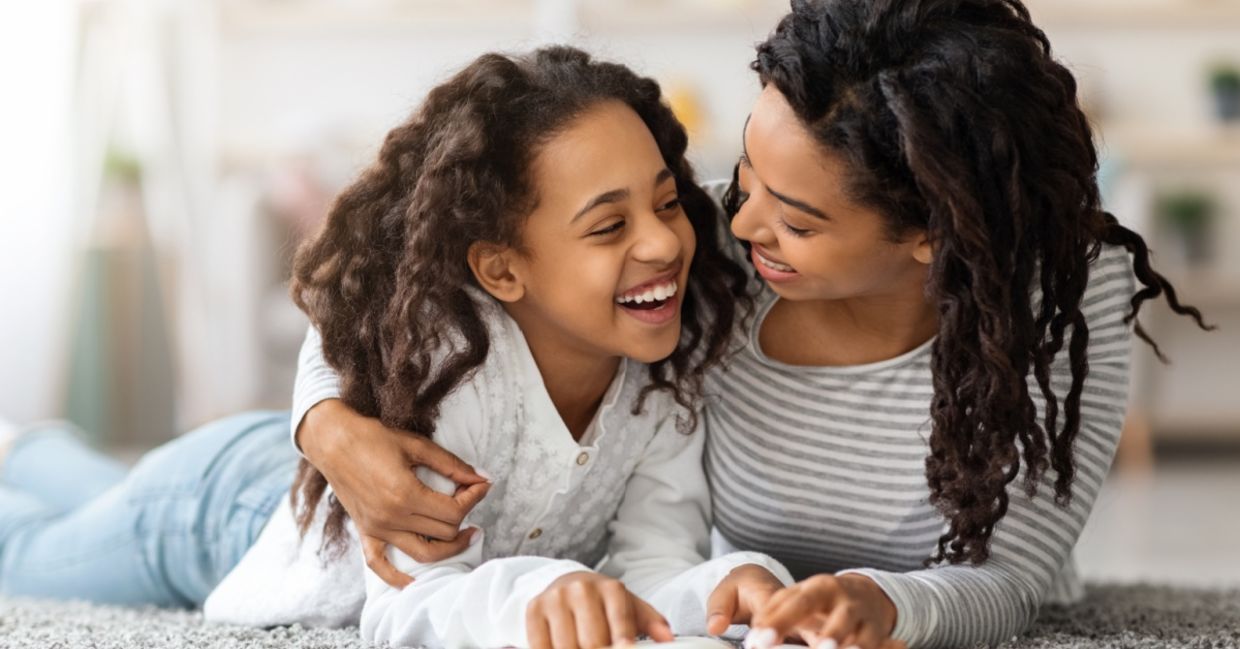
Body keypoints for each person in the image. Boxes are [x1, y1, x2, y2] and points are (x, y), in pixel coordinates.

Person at [292, 2, 1213, 649]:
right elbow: (402, 286)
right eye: (744, 178)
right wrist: (326, 426)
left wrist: (884, 604)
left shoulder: (1061, 291)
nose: (735, 226)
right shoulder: (704, 252)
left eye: (798, 220)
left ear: (933, 234)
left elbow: (1006, 579)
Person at [0, 46, 798, 649]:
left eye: (668, 201)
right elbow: (409, 602)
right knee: (30, 549)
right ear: (501, 268)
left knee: (99, 486)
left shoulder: (667, 375)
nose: (664, 241)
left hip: (258, 466)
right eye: (609, 225)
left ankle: (27, 449)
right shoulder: (453, 371)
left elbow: (654, 564)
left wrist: (728, 584)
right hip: (228, 511)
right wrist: (540, 593)